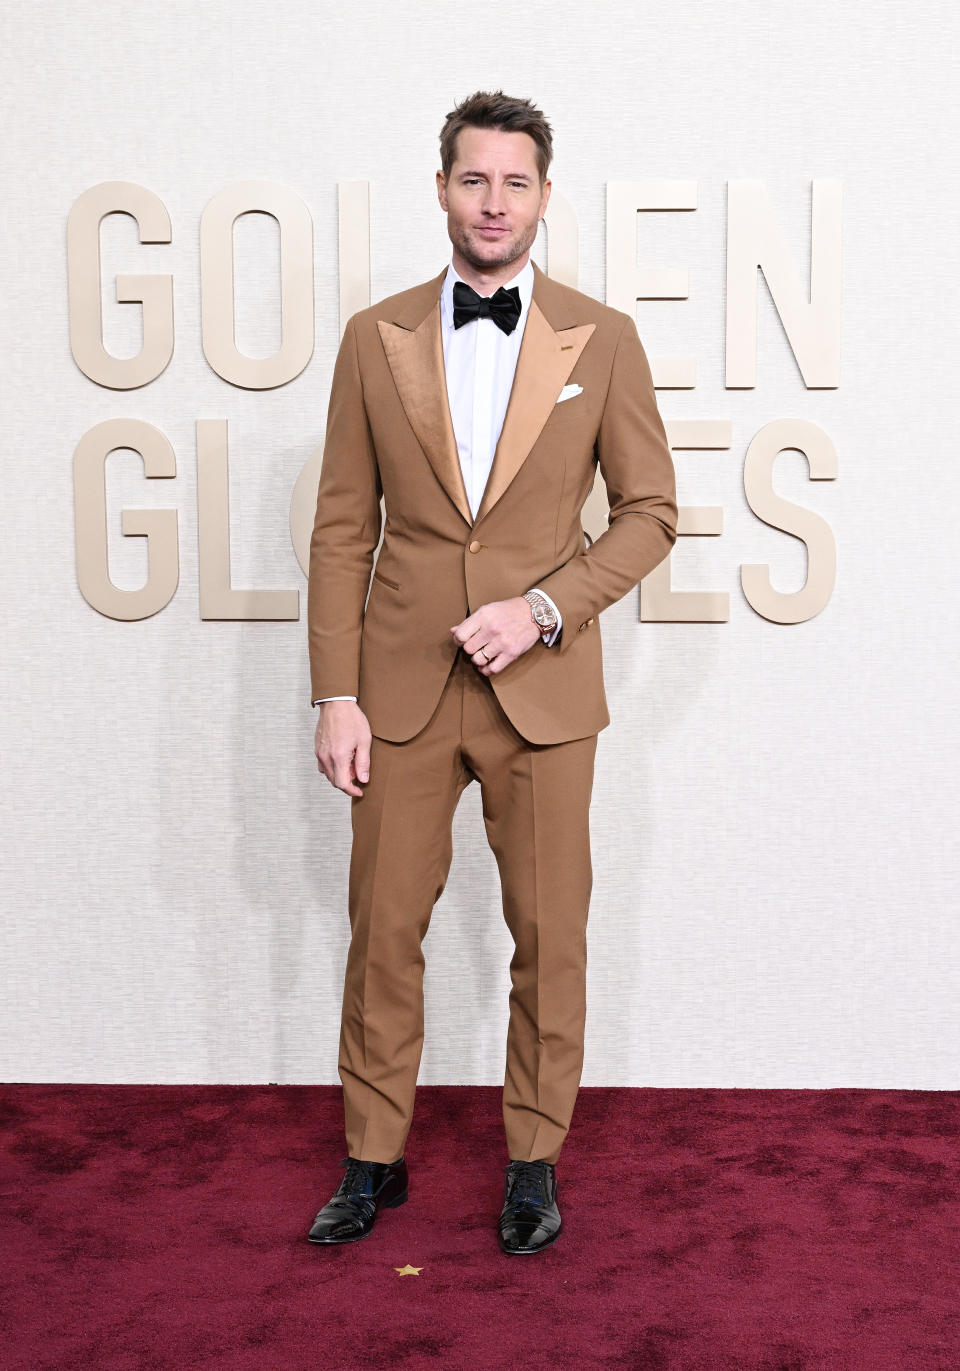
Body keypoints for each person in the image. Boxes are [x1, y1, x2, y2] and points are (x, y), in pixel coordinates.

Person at [305, 89, 678, 1255]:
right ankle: (373, 1160)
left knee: (549, 931)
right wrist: (337, 691)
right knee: (382, 932)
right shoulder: (375, 338)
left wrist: (547, 608)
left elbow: (653, 513)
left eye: (516, 183)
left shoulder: (601, 337)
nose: (495, 202)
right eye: (475, 179)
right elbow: (338, 530)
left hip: (545, 696)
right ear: (442, 189)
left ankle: (533, 1162)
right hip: (399, 688)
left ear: (545, 197)